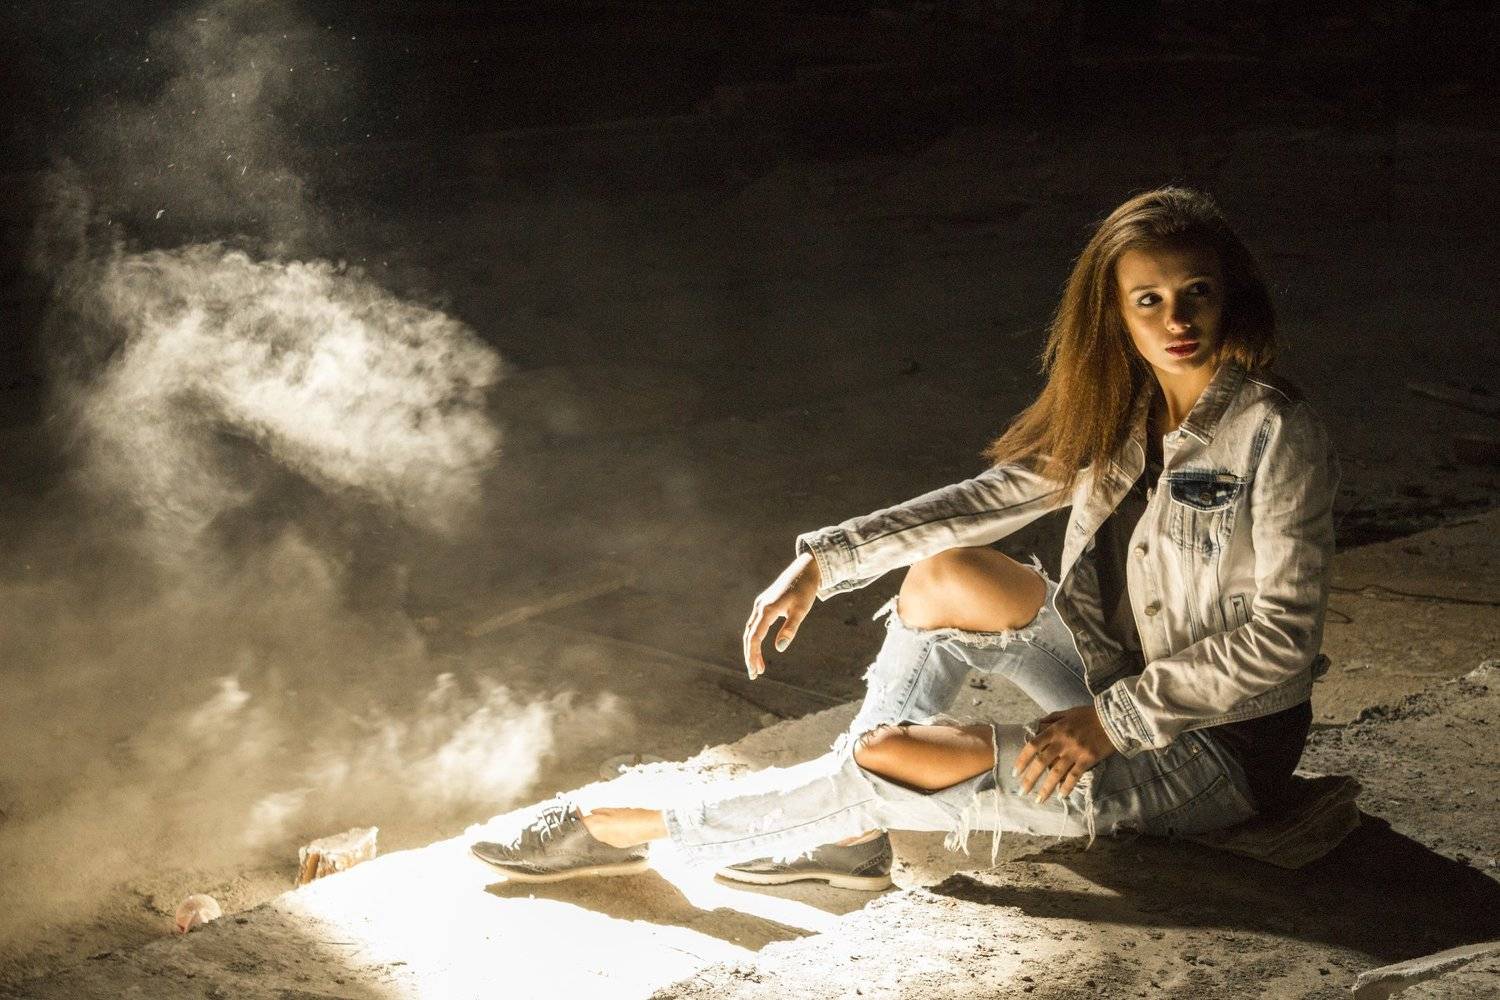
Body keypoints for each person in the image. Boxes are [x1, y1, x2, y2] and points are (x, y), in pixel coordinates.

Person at [471, 187, 1339, 888]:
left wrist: (1110, 723)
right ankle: (852, 827)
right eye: (1148, 300)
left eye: (1196, 293)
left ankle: (630, 826)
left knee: (893, 760)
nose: (1176, 319)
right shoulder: (1124, 410)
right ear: (1116, 314)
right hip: (1118, 673)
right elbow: (989, 499)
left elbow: (1283, 639)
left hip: (1215, 745)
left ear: (1229, 296)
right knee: (945, 575)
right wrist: (825, 563)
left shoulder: (1275, 430)